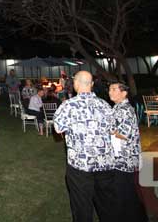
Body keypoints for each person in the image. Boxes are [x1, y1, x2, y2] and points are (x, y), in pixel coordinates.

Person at [53, 70, 116, 222]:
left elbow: (58, 129)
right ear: (92, 85)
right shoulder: (105, 104)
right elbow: (113, 129)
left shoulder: (68, 106)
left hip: (81, 166)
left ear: (75, 84)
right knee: (107, 206)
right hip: (105, 164)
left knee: (82, 207)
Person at [108, 82, 148, 222]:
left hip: (125, 157)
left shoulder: (125, 109)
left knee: (124, 191)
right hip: (122, 156)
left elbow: (124, 134)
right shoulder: (118, 107)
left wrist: (109, 131)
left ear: (124, 93)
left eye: (114, 89)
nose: (110, 92)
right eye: (110, 89)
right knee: (126, 191)